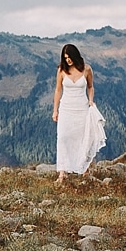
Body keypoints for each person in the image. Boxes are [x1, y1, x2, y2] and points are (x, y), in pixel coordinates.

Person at [53, 43, 105, 183]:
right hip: (66, 108)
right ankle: (62, 172)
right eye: (65, 57)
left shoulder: (87, 69)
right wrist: (55, 110)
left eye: (69, 57)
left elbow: (90, 87)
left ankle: (84, 169)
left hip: (81, 108)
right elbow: (58, 90)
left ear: (75, 55)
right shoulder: (61, 70)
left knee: (82, 138)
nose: (68, 60)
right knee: (63, 137)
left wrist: (91, 101)